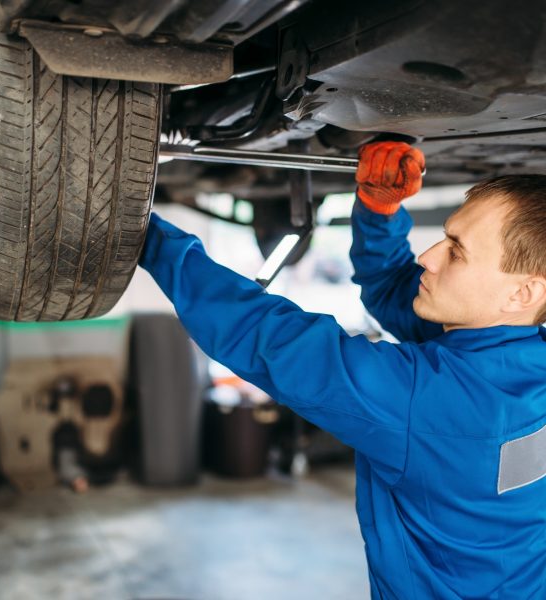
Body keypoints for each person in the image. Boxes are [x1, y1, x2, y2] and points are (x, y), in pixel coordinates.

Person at [138, 141, 546, 599]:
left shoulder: (427, 402)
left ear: (523, 294)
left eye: (456, 252)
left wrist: (150, 239)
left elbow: (266, 338)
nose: (428, 257)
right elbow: (396, 293)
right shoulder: (522, 353)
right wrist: (380, 211)